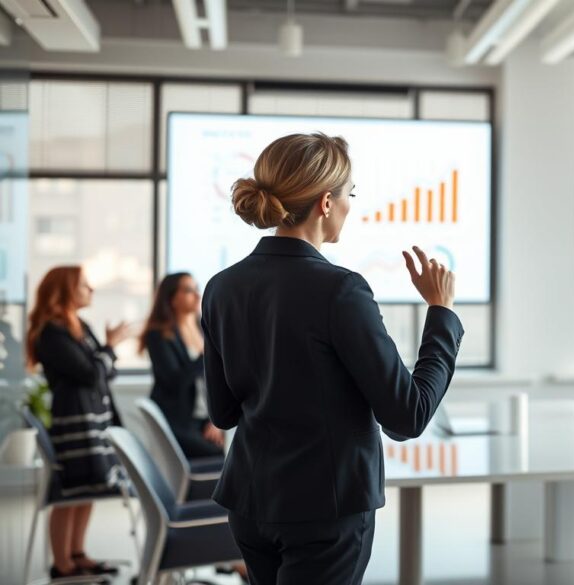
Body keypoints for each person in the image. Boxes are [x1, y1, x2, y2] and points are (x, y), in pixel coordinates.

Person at [202, 132, 463, 584]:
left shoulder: (221, 287)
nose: (350, 206)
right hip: (325, 512)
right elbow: (407, 415)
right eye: (350, 194)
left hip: (250, 505)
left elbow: (223, 413)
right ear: (326, 202)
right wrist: (440, 315)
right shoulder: (341, 290)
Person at [26, 266, 131, 578]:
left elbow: (104, 372)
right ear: (66, 289)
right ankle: (62, 565)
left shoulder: (78, 326)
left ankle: (77, 553)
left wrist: (105, 356)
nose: (91, 290)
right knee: (71, 492)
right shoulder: (50, 332)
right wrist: (110, 348)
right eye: (84, 285)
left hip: (93, 418)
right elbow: (91, 372)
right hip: (75, 421)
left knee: (90, 489)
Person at [141, 272, 225, 460]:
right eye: (189, 290)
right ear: (171, 298)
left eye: (197, 288)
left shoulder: (203, 330)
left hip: (203, 420)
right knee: (223, 455)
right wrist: (206, 355)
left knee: (239, 446)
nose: (197, 295)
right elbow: (175, 381)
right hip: (177, 421)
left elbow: (214, 381)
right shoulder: (159, 335)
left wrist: (214, 421)